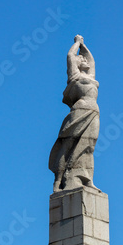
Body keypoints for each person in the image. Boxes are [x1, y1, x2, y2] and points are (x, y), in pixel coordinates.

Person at [49, 35, 100, 192]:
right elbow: (70, 56)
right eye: (80, 59)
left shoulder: (90, 77)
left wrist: (84, 47)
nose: (83, 59)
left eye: (83, 58)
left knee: (89, 146)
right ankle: (60, 180)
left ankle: (86, 178)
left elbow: (91, 61)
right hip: (80, 110)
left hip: (94, 112)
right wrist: (77, 43)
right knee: (69, 144)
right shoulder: (75, 77)